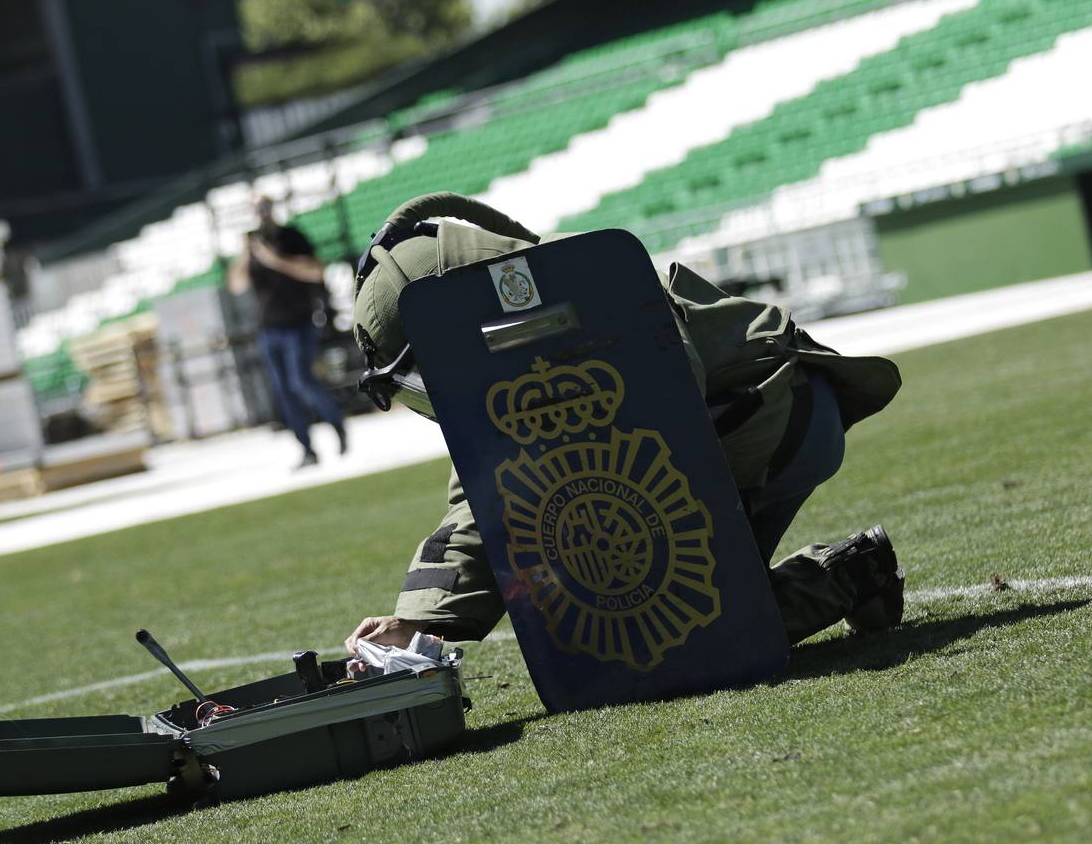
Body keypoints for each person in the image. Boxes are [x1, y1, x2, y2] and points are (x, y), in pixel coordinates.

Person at [343, 192, 905, 657]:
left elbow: (658, 406)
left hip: (768, 422)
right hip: (736, 433)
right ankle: (858, 572)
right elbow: (488, 496)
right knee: (645, 641)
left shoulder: (584, 288)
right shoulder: (520, 336)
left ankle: (848, 576)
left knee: (680, 634)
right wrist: (415, 624)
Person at [228, 196, 347, 468]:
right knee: (283, 392)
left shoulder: (291, 238)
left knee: (301, 382)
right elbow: (236, 285)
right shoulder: (252, 248)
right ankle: (307, 449)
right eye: (256, 210)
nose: (261, 214)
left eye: (264, 208)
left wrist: (275, 260)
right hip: (270, 330)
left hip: (298, 324)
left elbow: (316, 272)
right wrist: (247, 252)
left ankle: (336, 424)